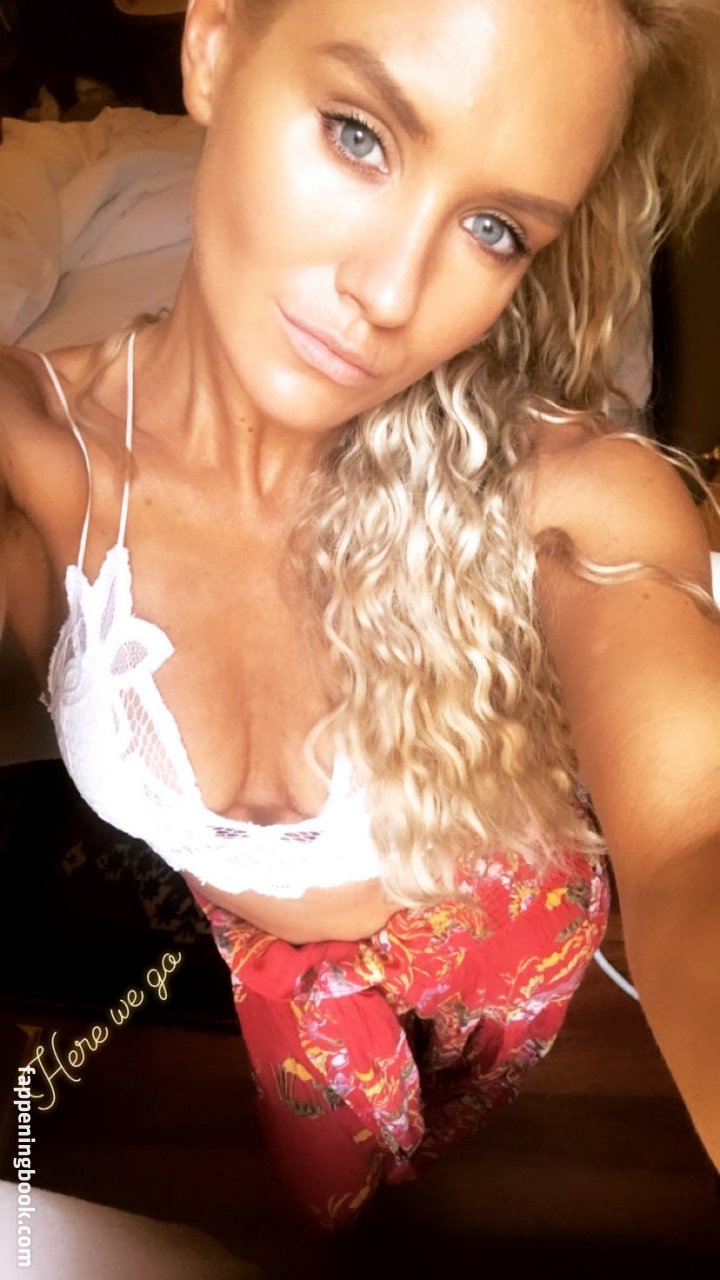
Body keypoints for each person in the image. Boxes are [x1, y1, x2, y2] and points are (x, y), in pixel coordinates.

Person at [2, 0, 719, 1231]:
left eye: (494, 229)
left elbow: (695, 835)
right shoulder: (33, 464)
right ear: (215, 42)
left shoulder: (563, 498)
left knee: (474, 1110)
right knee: (337, 1202)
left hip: (499, 927)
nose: (389, 294)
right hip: (274, 966)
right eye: (359, 134)